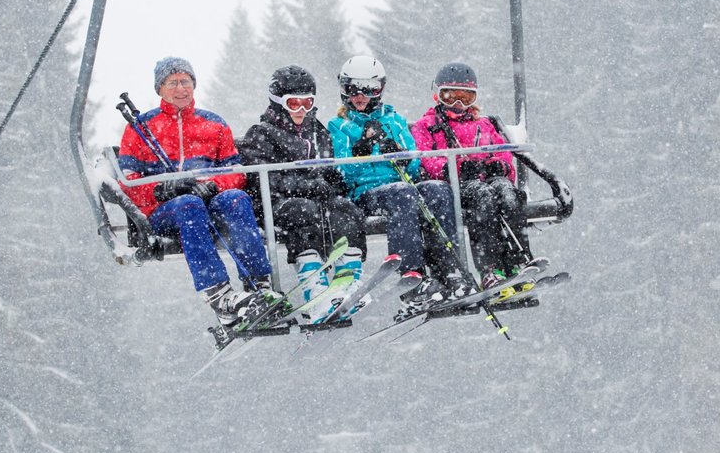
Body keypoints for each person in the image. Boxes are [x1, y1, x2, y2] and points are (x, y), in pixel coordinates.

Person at [117, 56, 281, 329]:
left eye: (186, 81)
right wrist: (161, 189)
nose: (181, 88)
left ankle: (258, 284)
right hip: (166, 211)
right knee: (188, 205)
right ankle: (219, 295)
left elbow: (235, 171)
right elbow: (128, 181)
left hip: (208, 201)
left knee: (236, 199)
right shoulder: (141, 129)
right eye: (173, 83)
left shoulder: (213, 124)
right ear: (160, 88)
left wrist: (215, 185)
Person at [327, 55, 475, 318]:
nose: (361, 96)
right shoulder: (339, 126)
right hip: (366, 193)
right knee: (403, 194)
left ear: (380, 90)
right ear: (344, 91)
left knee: (438, 189)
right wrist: (360, 152)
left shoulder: (394, 121)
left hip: (401, 185)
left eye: (369, 89)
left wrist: (400, 154)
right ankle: (411, 272)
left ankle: (448, 271)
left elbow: (416, 166)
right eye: (353, 89)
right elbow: (342, 175)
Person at [237, 65, 367, 322]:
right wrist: (304, 185)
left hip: (317, 200)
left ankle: (346, 282)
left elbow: (330, 171)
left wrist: (333, 184)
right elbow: (264, 178)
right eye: (294, 103)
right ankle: (315, 290)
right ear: (277, 103)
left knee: (345, 209)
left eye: (307, 103)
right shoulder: (261, 133)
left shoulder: (318, 132)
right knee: (302, 211)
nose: (301, 110)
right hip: (276, 204)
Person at [410, 62, 530, 290]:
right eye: (450, 96)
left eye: (465, 97)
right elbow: (424, 157)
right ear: (437, 96)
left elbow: (502, 151)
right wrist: (453, 169)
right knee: (483, 197)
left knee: (508, 193)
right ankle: (489, 268)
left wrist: (499, 166)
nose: (458, 104)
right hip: (457, 186)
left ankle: (519, 259)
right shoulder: (428, 125)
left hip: (487, 179)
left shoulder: (483, 125)